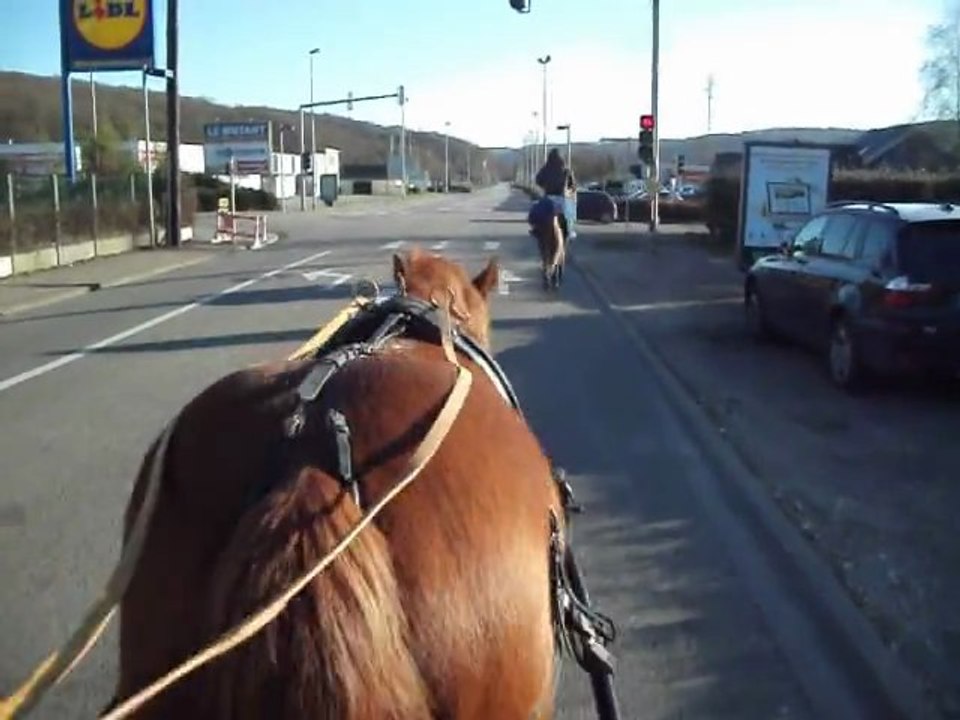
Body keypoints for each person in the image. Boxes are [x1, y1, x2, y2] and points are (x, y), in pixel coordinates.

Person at [534, 148, 577, 241]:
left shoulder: (545, 169)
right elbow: (573, 186)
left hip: (548, 198)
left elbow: (538, 180)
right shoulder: (566, 171)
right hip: (562, 199)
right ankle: (570, 231)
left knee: (538, 212)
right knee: (570, 210)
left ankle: (537, 229)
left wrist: (545, 186)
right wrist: (568, 192)